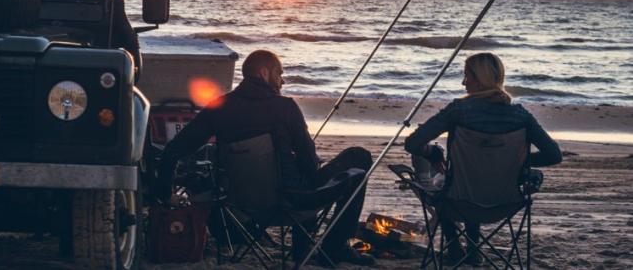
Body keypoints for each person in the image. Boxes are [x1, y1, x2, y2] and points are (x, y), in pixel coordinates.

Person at [156, 50, 375, 266]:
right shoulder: (286, 107)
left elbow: (172, 150)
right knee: (358, 158)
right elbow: (309, 164)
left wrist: (166, 193)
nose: (282, 81)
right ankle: (334, 247)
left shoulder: (219, 107)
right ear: (263, 73)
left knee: (300, 174)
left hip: (239, 205)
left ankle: (303, 250)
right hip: (291, 201)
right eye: (279, 74)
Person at [404, 52, 562, 266]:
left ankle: (454, 246)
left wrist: (433, 153)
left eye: (466, 76)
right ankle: (473, 250)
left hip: (457, 201)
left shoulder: (458, 111)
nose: (463, 82)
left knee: (448, 184)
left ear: (479, 80)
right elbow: (554, 155)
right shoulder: (521, 115)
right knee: (467, 178)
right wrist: (515, 161)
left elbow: (413, 144)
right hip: (505, 203)